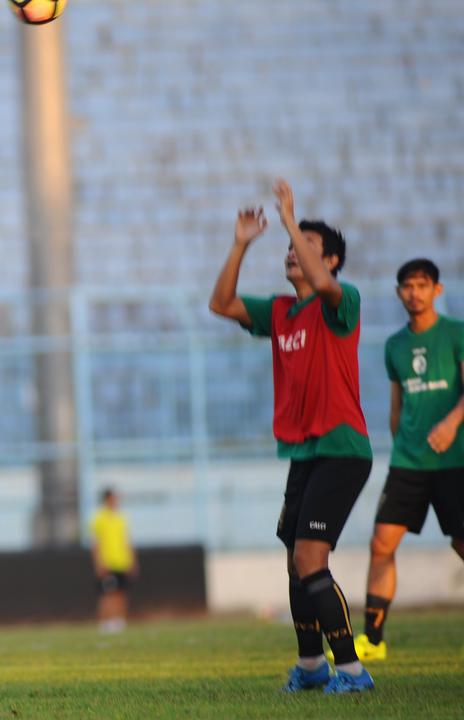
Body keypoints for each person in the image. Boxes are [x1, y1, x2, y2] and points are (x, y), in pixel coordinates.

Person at [208, 178, 374, 694]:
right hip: (304, 451)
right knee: (294, 558)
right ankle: (309, 667)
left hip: (342, 448)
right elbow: (222, 303)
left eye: (306, 247)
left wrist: (288, 219)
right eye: (290, 246)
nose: (293, 253)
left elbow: (325, 285)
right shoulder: (280, 312)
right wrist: (240, 243)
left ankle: (352, 672)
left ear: (332, 262)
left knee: (309, 560)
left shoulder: (340, 300)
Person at [358, 258, 464, 660]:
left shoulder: (456, 334)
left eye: (422, 285)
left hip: (454, 460)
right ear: (399, 291)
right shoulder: (395, 345)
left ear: (437, 290)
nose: (414, 292)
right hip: (409, 463)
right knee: (381, 544)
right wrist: (401, 440)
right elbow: (397, 404)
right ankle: (372, 640)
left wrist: (452, 423)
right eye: (407, 286)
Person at [90, 488, 136, 633]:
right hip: (107, 561)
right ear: (106, 500)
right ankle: (105, 623)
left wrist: (132, 560)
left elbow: (126, 541)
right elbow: (96, 543)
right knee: (107, 593)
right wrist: (98, 563)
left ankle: (119, 621)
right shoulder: (99, 518)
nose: (115, 501)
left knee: (121, 592)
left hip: (121, 561)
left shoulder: (121, 518)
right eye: (113, 498)